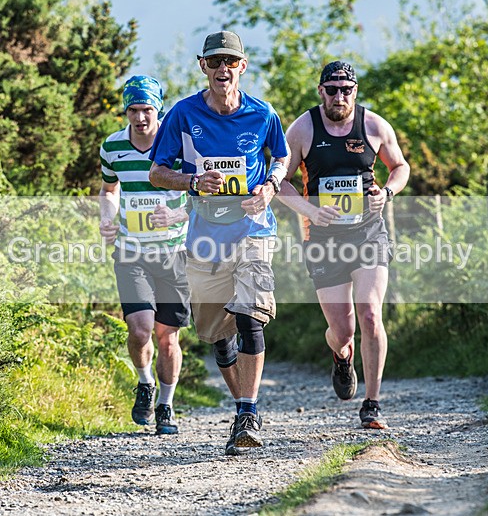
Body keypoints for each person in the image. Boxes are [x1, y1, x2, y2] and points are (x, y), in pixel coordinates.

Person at [148, 31, 290, 455]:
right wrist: (192, 180)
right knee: (216, 334)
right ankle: (241, 401)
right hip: (205, 236)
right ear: (203, 66)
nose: (223, 69)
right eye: (215, 62)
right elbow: (157, 171)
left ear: (242, 66)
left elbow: (280, 156)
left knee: (251, 313)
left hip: (253, 230)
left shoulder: (263, 114)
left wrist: (270, 185)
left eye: (231, 61)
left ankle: (248, 412)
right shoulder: (182, 114)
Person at [279, 61, 410, 429]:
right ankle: (341, 355)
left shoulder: (373, 125)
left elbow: (400, 167)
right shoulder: (303, 128)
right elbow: (282, 181)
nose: (339, 96)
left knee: (370, 313)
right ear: (321, 91)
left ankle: (373, 404)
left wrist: (386, 192)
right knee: (343, 330)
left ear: (355, 91)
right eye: (332, 89)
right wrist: (309, 211)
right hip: (323, 239)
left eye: (346, 89)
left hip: (368, 232)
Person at [99, 75, 190, 436]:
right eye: (133, 110)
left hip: (173, 253)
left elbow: (200, 198)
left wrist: (175, 214)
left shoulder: (178, 147)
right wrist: (107, 216)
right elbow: (109, 190)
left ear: (159, 110)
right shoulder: (112, 147)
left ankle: (166, 405)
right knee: (140, 331)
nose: (140, 118)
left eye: (147, 109)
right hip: (131, 252)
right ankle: (144, 382)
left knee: (168, 337)